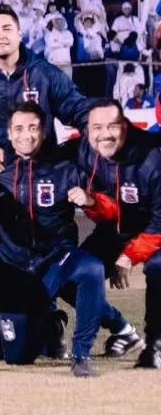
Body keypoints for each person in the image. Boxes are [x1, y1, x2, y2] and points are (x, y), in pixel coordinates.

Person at [0, 103, 122, 377]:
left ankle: (81, 354)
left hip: (56, 262)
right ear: (9, 134)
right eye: (19, 129)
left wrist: (91, 201)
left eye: (33, 128)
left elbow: (112, 209)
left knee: (90, 267)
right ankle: (49, 324)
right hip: (16, 273)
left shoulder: (66, 169)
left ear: (44, 132)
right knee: (19, 357)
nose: (27, 135)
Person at [75, 100, 159, 367]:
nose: (105, 134)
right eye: (97, 127)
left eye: (112, 126)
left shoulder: (153, 156)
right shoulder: (85, 151)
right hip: (116, 230)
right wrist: (91, 203)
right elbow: (112, 208)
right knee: (73, 268)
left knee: (158, 268)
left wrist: (128, 257)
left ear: (125, 125)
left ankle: (155, 345)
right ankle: (121, 329)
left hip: (154, 231)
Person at [0, 4, 89, 175]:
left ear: (19, 33)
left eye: (7, 29)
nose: (0, 36)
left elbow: (81, 112)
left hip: (39, 179)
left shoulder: (46, 74)